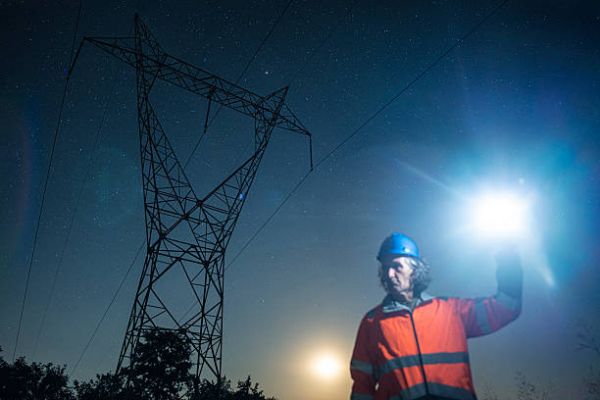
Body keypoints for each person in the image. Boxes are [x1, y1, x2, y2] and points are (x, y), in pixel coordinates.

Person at [350, 232, 523, 400]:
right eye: (385, 268)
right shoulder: (372, 322)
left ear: (414, 269)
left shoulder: (451, 311)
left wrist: (508, 259)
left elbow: (506, 308)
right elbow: (362, 384)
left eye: (396, 266)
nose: (389, 274)